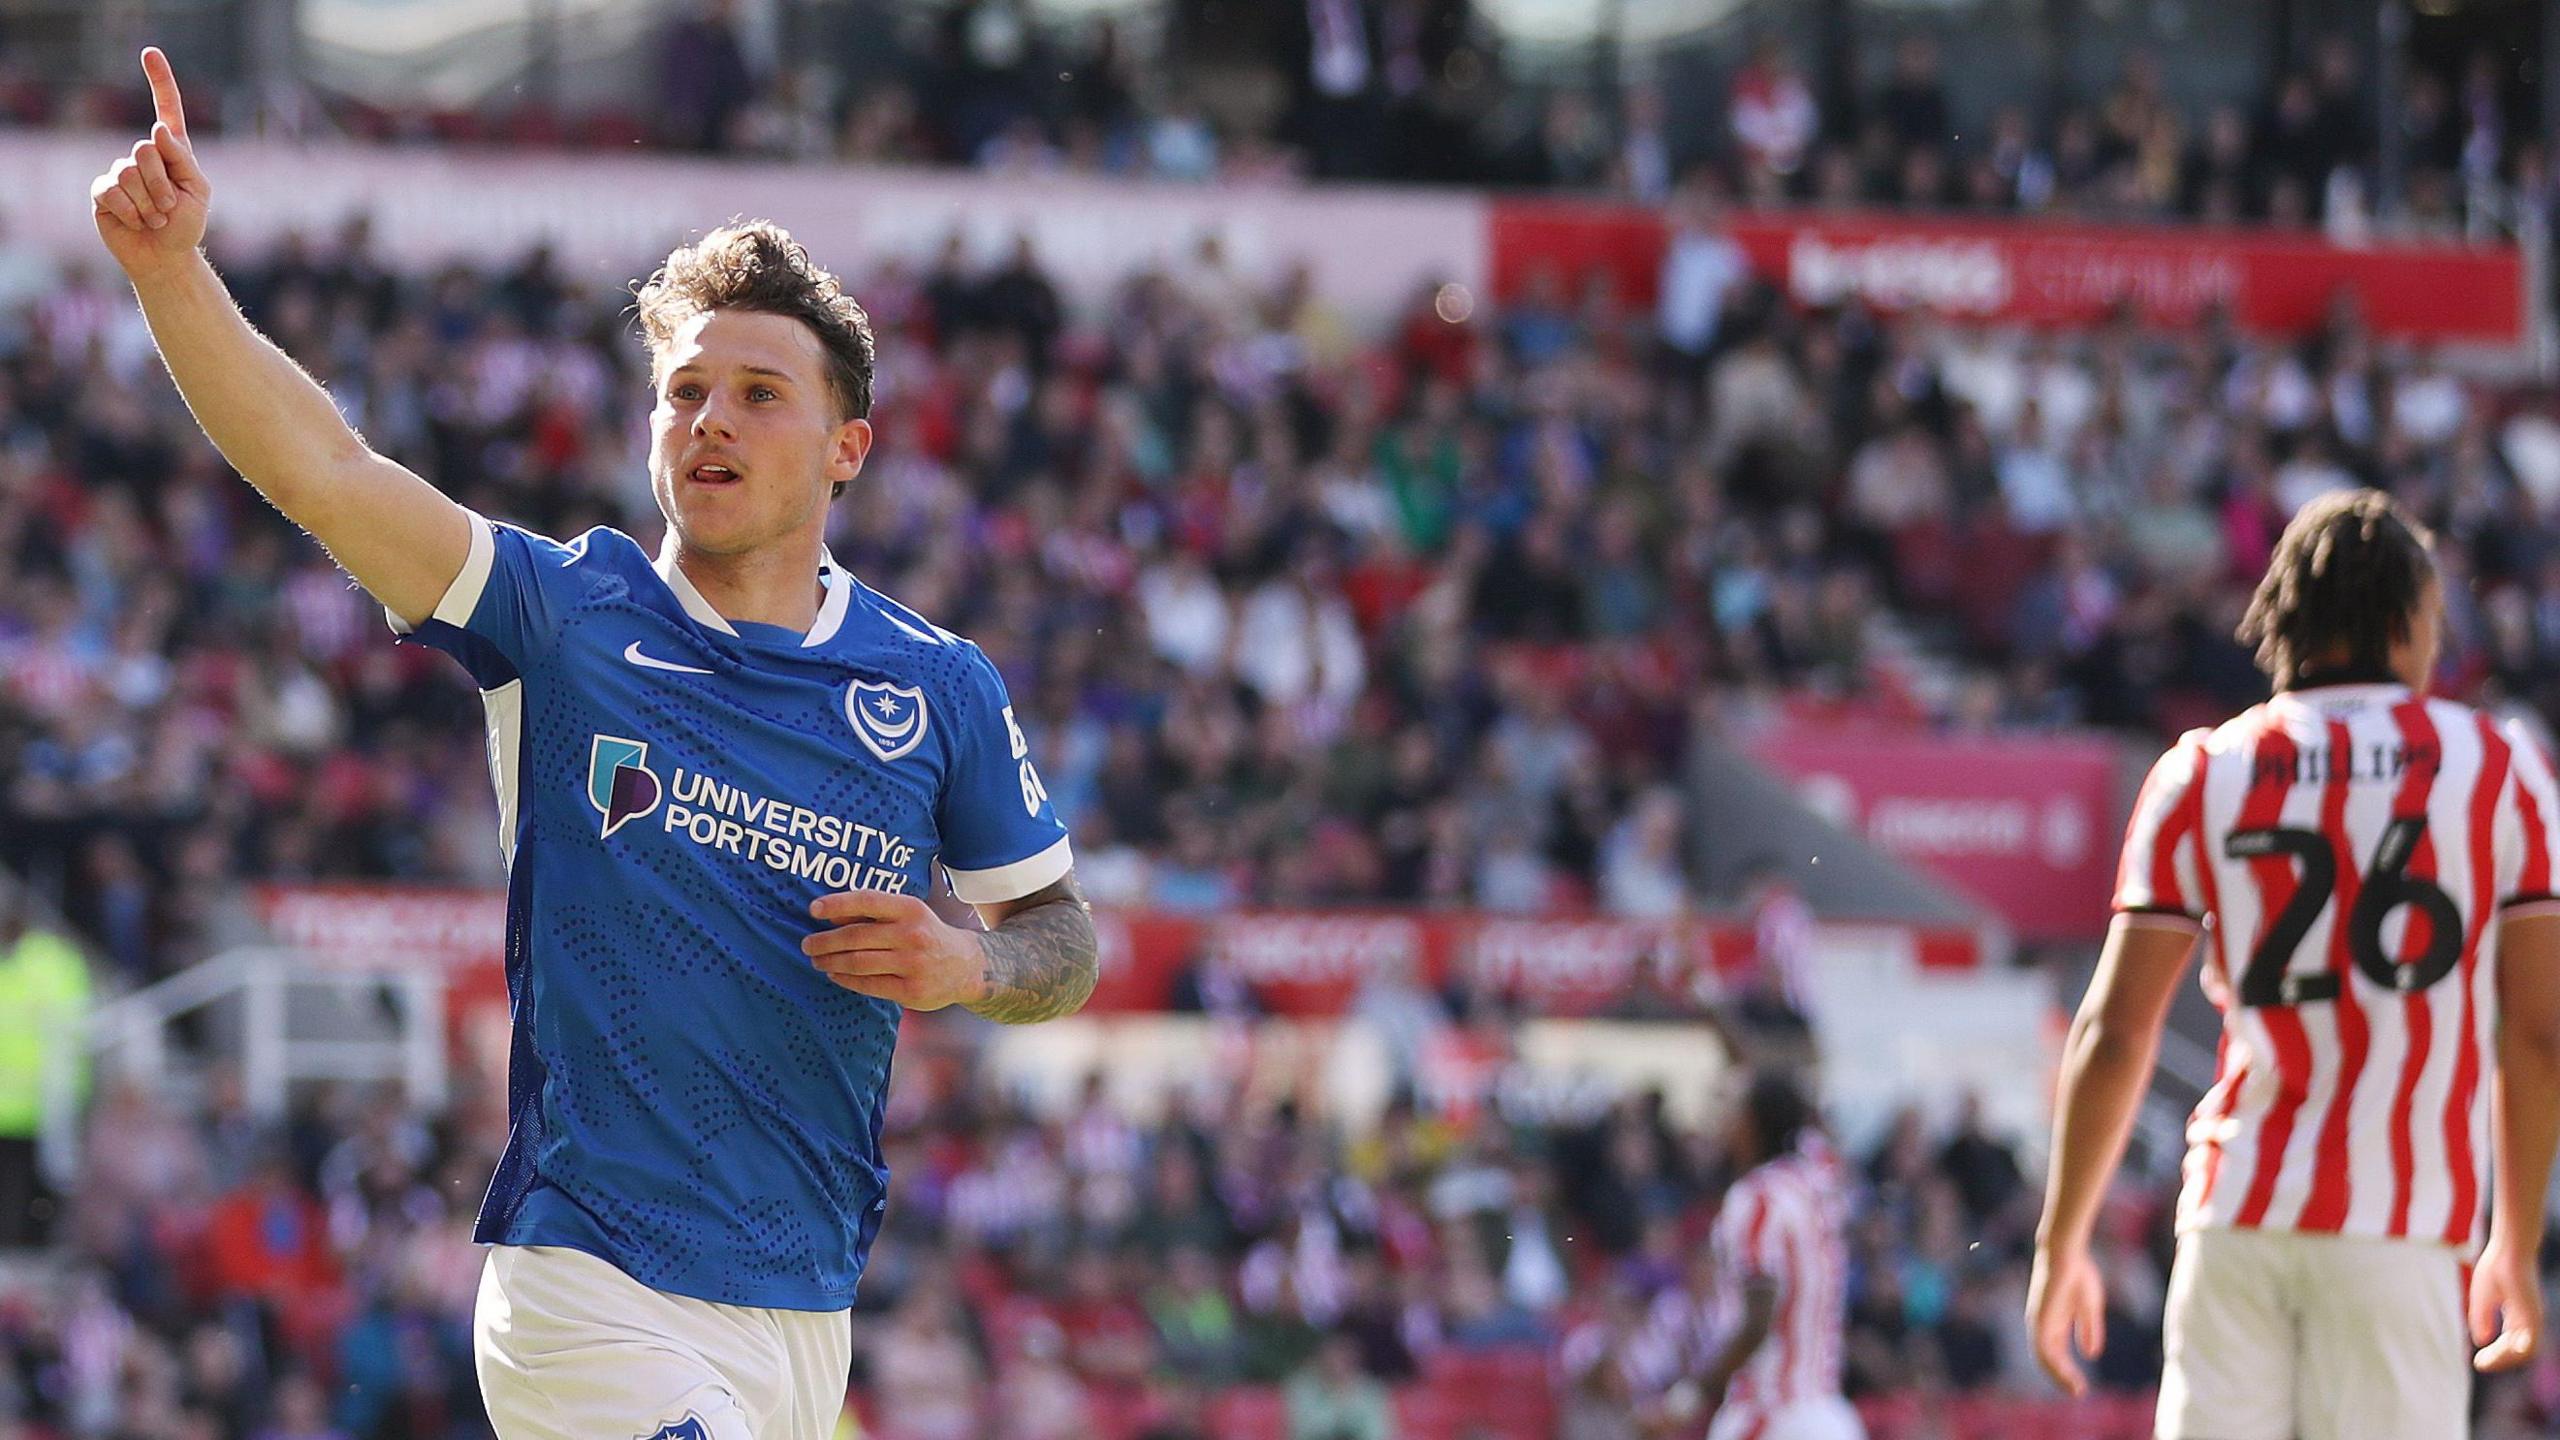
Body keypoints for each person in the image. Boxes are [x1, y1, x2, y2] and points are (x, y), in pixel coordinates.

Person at [89, 48, 1096, 1440]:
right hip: (590, 1282)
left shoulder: (939, 689)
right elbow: (327, 474)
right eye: (685, 392)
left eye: (757, 393)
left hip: (804, 1313)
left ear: (847, 448)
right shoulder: (567, 617)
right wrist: (169, 274)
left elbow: (1062, 938)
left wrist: (971, 963)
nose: (711, 421)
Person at [2029, 489, 2560, 1440]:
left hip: (2236, 1218)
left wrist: (2059, 1241)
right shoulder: (2498, 768)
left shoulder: (2202, 769)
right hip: (2398, 1231)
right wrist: (2513, 1243)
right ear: (2406, 620)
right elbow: (2540, 1031)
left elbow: (2115, 1033)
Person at [1693, 1072, 1863, 1440]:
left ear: (1752, 1123)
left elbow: (1758, 1318)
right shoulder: (1821, 1177)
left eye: (1733, 1112)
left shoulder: (1756, 1198)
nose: (1724, 1122)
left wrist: (1687, 1397)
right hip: (1827, 1413)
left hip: (1771, 1413)